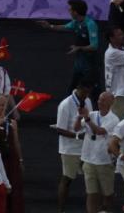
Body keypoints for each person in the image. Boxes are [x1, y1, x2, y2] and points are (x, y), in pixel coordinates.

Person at [36, 0, 100, 91]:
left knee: (94, 92)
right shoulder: (76, 22)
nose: (69, 11)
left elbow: (94, 46)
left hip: (91, 65)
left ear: (76, 12)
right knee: (72, 90)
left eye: (70, 10)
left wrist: (79, 48)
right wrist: (49, 26)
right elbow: (64, 27)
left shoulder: (90, 24)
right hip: (79, 64)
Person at [53, 81, 94, 212]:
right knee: (67, 179)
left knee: (91, 179)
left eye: (88, 92)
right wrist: (77, 136)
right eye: (85, 92)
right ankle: (60, 210)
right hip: (70, 149)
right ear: (78, 88)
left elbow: (89, 119)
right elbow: (59, 129)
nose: (86, 95)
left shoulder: (87, 101)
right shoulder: (65, 105)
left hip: (86, 148)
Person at [79, 91, 119, 213]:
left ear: (111, 102)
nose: (99, 102)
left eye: (103, 100)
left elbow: (99, 131)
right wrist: (79, 116)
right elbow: (77, 128)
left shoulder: (113, 119)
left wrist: (86, 118)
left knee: (108, 194)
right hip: (89, 160)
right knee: (91, 193)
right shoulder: (92, 114)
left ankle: (106, 210)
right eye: (99, 99)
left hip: (104, 161)